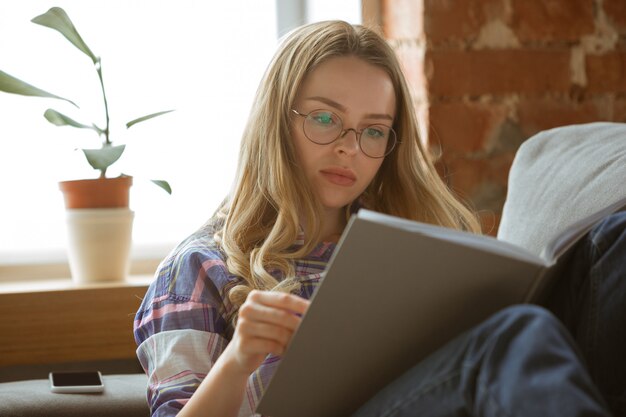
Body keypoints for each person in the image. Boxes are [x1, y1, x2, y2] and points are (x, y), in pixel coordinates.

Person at [133, 20, 625, 417]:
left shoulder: (405, 251)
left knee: (612, 243)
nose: (350, 147)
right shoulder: (199, 267)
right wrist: (238, 361)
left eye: (374, 130)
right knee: (515, 336)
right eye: (325, 119)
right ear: (277, 122)